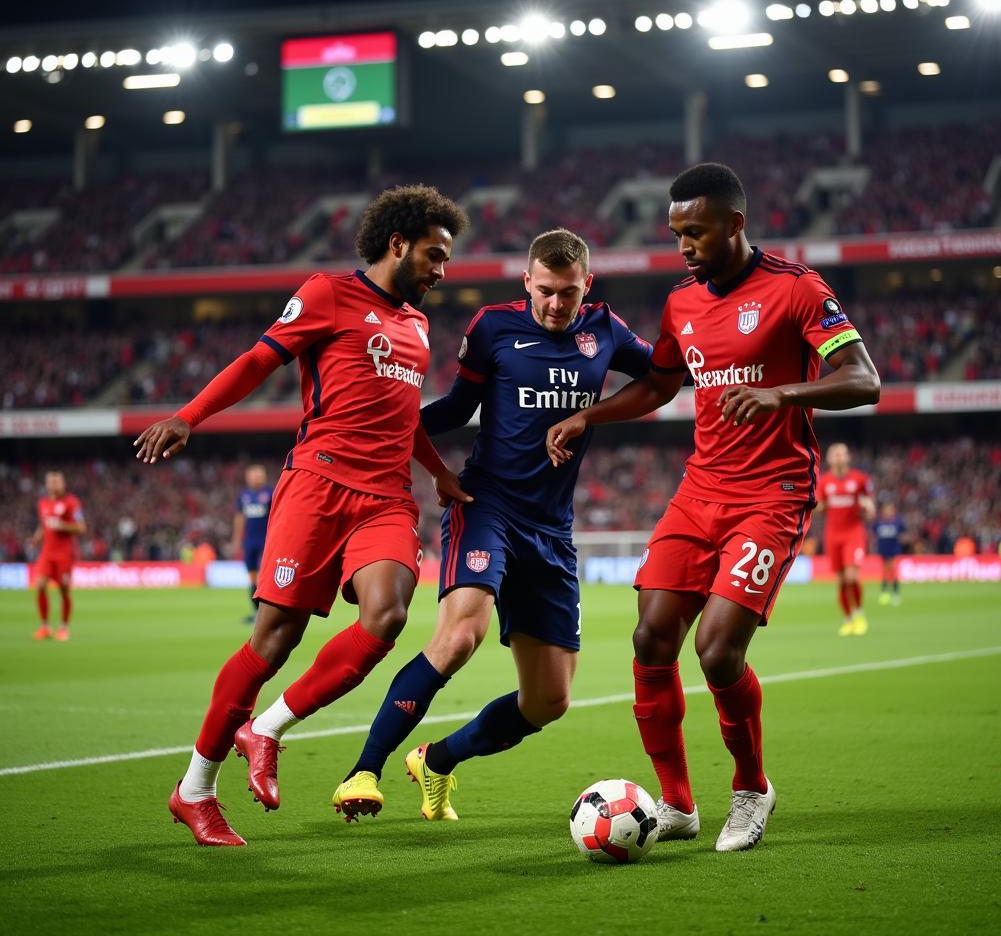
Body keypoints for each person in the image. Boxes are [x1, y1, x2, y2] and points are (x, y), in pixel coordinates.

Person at [546, 163, 880, 851]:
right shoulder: (681, 303)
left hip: (772, 493)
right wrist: (592, 416)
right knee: (650, 639)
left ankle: (752, 788)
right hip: (701, 491)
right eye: (676, 235)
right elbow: (663, 384)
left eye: (695, 232)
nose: (685, 247)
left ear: (734, 222)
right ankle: (676, 805)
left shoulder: (797, 289)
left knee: (717, 649)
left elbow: (863, 380)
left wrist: (783, 393)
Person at [134, 184, 470, 847]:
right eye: (434, 256)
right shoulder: (325, 294)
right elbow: (260, 360)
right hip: (317, 486)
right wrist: (188, 416)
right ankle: (194, 790)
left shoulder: (418, 325)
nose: (441, 272)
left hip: (384, 497)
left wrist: (438, 472)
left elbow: (402, 417)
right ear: (397, 244)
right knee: (274, 641)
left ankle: (266, 728)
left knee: (390, 614)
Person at [302, 228, 653, 823]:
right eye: (544, 291)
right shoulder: (492, 327)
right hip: (485, 505)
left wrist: (593, 414)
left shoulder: (607, 331)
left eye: (568, 293)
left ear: (586, 285)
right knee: (459, 636)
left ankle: (437, 760)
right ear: (527, 282)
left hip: (552, 531)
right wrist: (392, 423)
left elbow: (667, 377)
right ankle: (363, 771)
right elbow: (457, 409)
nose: (555, 305)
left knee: (548, 701)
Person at [819, 443, 876, 635]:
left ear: (848, 457)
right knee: (842, 580)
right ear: (829, 459)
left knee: (852, 577)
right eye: (835, 454)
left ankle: (859, 615)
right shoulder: (824, 482)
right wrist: (814, 506)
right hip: (833, 534)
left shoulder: (860, 479)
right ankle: (848, 620)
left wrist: (868, 509)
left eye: (842, 453)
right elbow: (820, 507)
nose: (839, 457)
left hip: (854, 533)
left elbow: (870, 506)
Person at [28, 470, 86, 641]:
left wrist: (61, 525)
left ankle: (63, 628)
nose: (53, 485)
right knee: (40, 585)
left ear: (63, 484)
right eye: (50, 482)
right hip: (47, 553)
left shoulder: (72, 503)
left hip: (64, 554)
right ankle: (45, 627)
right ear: (46, 485)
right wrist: (36, 539)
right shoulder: (43, 503)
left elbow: (81, 528)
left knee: (64, 591)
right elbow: (44, 526)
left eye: (56, 482)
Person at [231, 464, 274, 623]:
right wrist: (236, 539)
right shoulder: (244, 495)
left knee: (264, 578)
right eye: (252, 475)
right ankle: (257, 613)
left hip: (266, 542)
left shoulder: (270, 493)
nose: (255, 477)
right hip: (250, 543)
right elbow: (240, 518)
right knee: (252, 579)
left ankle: (266, 614)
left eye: (258, 474)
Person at [874, 502, 907, 605]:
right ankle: (885, 592)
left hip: (893, 549)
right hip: (883, 549)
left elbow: (904, 534)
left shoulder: (897, 523)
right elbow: (874, 535)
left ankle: (895, 593)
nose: (888, 512)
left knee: (892, 569)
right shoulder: (879, 523)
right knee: (885, 570)